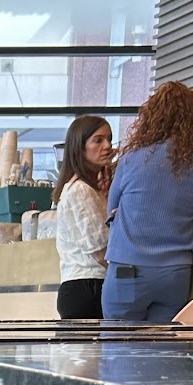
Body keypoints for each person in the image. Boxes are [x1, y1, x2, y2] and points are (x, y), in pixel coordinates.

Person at [102, 81, 193, 325]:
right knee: (163, 344)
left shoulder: (130, 159)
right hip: (176, 273)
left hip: (128, 270)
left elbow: (111, 211)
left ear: (151, 117)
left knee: (119, 342)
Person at [53, 114, 114, 320]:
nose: (108, 146)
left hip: (87, 287)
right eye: (98, 140)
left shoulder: (89, 189)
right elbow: (101, 251)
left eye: (109, 139)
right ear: (79, 148)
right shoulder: (79, 190)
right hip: (87, 286)